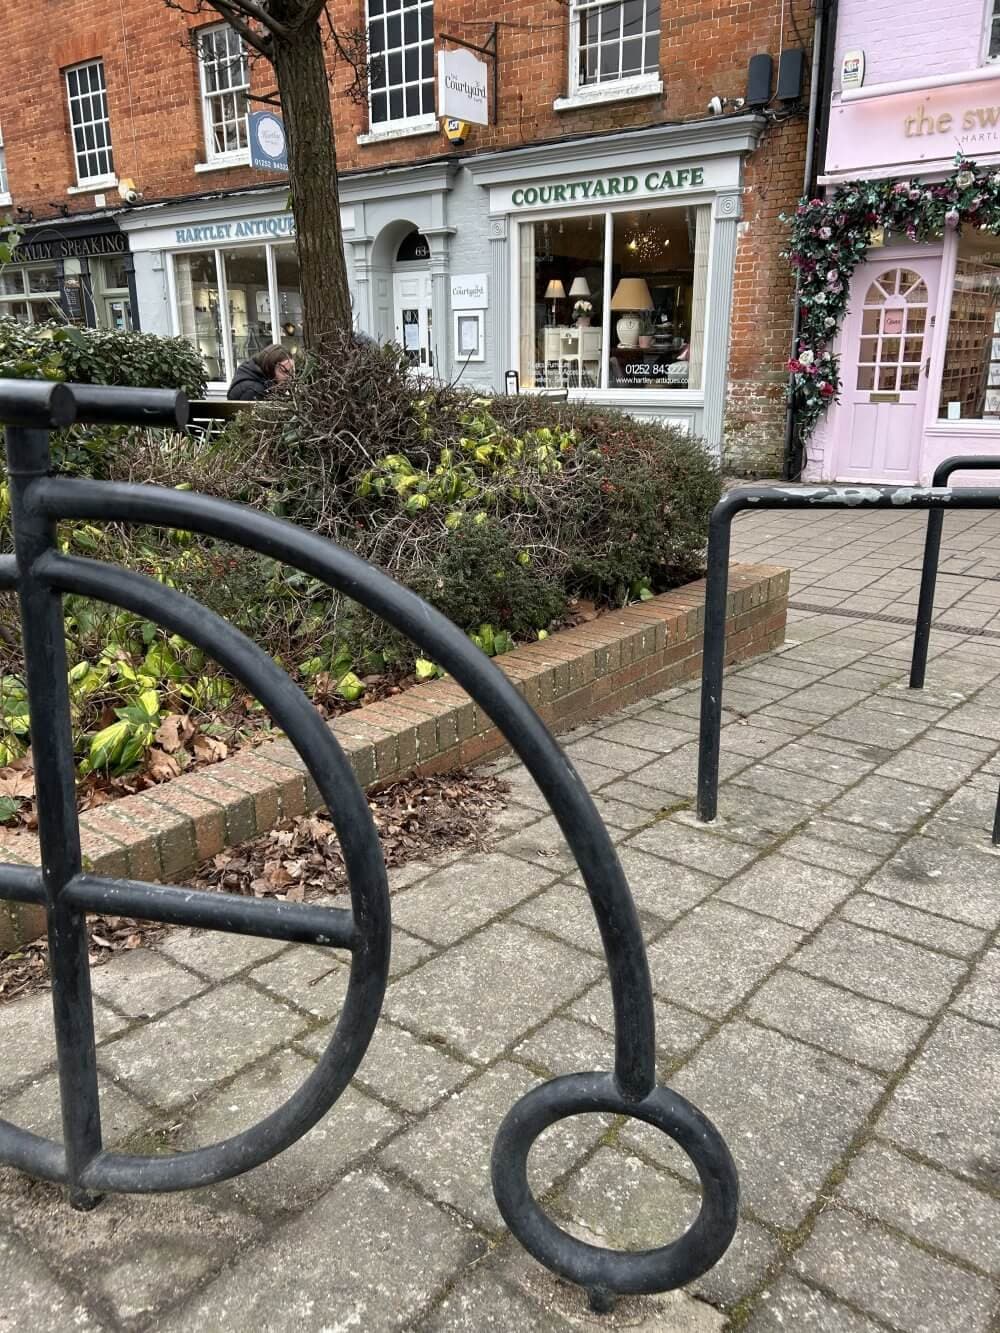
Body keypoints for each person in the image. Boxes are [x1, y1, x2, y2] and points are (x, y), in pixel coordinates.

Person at [227, 344, 294, 401]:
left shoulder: (254, 377)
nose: (289, 377)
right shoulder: (254, 391)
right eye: (285, 371)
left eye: (292, 372)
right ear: (269, 369)